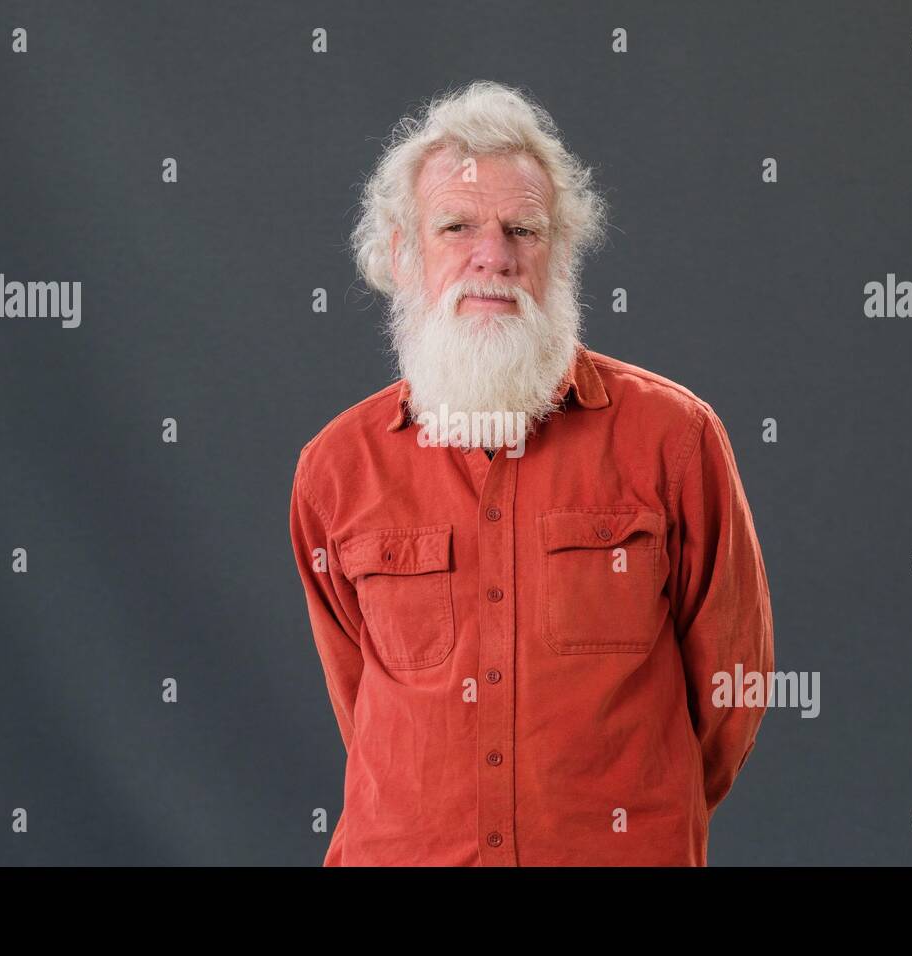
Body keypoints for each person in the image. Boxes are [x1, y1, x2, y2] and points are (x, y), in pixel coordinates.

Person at [289, 80, 774, 865]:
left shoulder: (675, 439)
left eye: (525, 229)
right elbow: (361, 701)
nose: (495, 257)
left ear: (561, 254)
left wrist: (642, 810)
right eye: (456, 227)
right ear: (403, 254)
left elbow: (733, 684)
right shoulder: (337, 467)